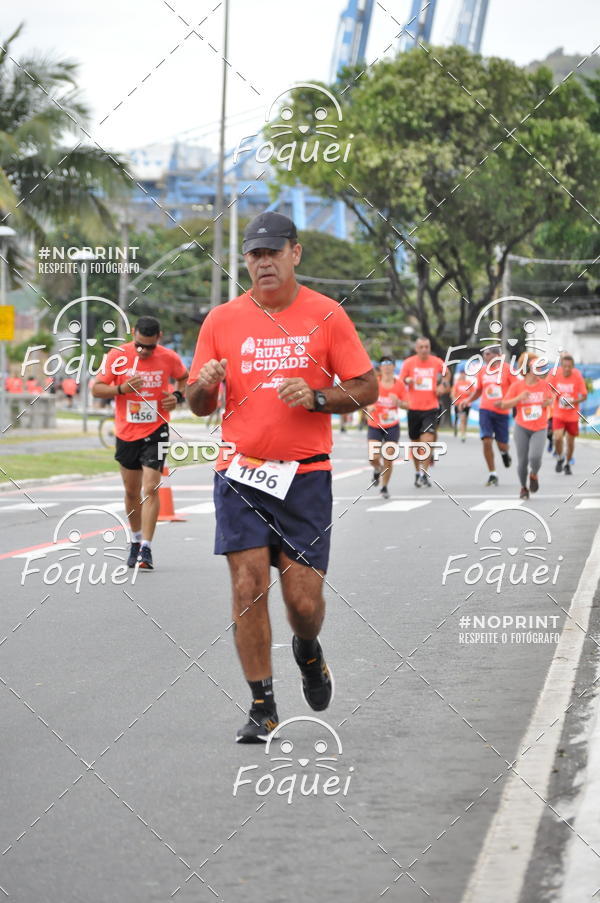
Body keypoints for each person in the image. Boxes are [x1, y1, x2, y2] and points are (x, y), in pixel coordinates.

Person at [186, 211, 377, 743]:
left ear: (295, 254)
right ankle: (262, 706)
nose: (263, 262)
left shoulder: (327, 314)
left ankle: (309, 651)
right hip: (240, 473)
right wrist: (203, 384)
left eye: (273, 252)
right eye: (254, 254)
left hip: (304, 478)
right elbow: (198, 403)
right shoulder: (221, 321)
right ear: (245, 261)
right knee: (247, 586)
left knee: (303, 604)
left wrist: (318, 397)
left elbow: (367, 386)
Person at [92, 316, 188, 570]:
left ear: (159, 337)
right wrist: (121, 389)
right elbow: (97, 388)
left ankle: (146, 547)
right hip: (126, 432)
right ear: (133, 334)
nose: (144, 351)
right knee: (131, 491)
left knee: (151, 487)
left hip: (156, 428)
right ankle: (135, 540)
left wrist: (177, 396)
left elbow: (184, 377)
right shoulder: (117, 356)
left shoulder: (169, 357)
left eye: (149, 346)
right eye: (139, 345)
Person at [497, 352, 554, 499]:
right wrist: (519, 398)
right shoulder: (517, 386)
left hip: (540, 427)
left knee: (535, 457)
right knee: (522, 461)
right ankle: (523, 487)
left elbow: (550, 399)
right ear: (528, 367)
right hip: (521, 427)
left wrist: (548, 402)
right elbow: (504, 404)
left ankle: (534, 475)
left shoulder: (544, 385)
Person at [400, 337, 450, 487]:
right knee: (415, 444)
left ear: (429, 348)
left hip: (431, 408)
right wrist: (407, 381)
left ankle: (424, 473)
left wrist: (443, 385)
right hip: (414, 408)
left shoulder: (436, 362)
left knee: (427, 441)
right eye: (421, 347)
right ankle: (417, 472)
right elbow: (401, 380)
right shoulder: (409, 363)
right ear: (416, 348)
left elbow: (447, 374)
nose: (424, 349)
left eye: (426, 347)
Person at [462, 346, 514, 486]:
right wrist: (468, 400)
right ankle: (492, 473)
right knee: (486, 440)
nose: (485, 357)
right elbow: (478, 390)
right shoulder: (483, 371)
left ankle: (504, 453)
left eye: (488, 354)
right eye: (484, 354)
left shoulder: (508, 370)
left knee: (502, 444)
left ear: (497, 355)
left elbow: (516, 389)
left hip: (502, 412)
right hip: (485, 410)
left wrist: (506, 401)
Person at [366, 356, 407, 499]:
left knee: (389, 457)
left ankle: (384, 487)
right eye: (384, 364)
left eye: (390, 364)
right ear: (380, 368)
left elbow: (408, 405)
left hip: (392, 425)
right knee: (373, 457)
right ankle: (377, 469)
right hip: (375, 425)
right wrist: (369, 408)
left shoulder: (399, 385)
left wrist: (399, 402)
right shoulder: (374, 384)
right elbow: (365, 401)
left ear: (394, 367)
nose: (387, 367)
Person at [548, 353, 587, 475]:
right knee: (558, 437)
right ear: (561, 366)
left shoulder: (577, 376)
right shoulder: (555, 374)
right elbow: (548, 389)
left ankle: (568, 463)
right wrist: (553, 396)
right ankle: (560, 457)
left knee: (570, 442)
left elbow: (584, 396)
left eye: (569, 366)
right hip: (558, 413)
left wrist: (572, 401)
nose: (566, 369)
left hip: (572, 415)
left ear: (573, 367)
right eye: (564, 366)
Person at [451, 368, 476, 442]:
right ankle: (462, 434)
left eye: (464, 373)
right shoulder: (457, 383)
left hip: (467, 404)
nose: (463, 375)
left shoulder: (468, 383)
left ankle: (463, 431)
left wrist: (469, 400)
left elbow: (472, 393)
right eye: (462, 373)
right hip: (458, 404)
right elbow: (453, 394)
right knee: (461, 418)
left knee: (465, 419)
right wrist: (456, 401)